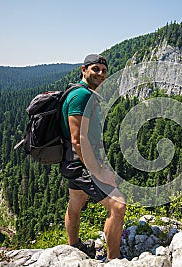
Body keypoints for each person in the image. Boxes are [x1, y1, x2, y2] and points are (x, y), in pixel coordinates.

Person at [60, 54, 126, 261]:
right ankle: (113, 260)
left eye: (104, 71)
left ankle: (74, 246)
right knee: (118, 205)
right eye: (95, 69)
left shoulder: (83, 93)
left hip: (73, 162)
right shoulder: (81, 96)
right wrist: (97, 171)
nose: (100, 74)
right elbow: (77, 139)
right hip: (81, 164)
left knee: (76, 202)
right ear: (83, 70)